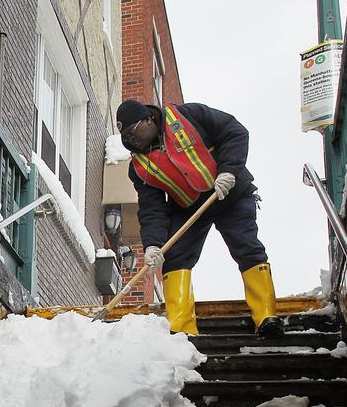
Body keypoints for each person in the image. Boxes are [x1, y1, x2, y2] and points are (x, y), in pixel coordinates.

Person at [115, 99, 283, 337]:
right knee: (175, 259)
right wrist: (153, 244)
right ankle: (182, 331)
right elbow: (152, 208)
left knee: (247, 248)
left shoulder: (188, 115)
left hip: (229, 193)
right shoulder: (140, 166)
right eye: (126, 136)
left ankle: (266, 316)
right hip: (189, 207)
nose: (132, 139)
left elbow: (234, 132)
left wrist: (229, 170)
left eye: (134, 131)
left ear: (148, 119)